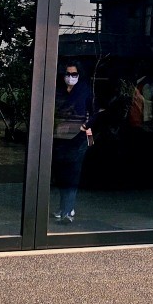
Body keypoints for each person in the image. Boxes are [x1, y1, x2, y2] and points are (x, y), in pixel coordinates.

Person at [51, 60, 93, 223]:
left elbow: (94, 111)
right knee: (61, 174)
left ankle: (67, 210)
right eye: (68, 74)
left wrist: (85, 126)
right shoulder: (58, 91)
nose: (70, 77)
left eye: (74, 74)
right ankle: (65, 206)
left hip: (78, 139)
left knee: (73, 173)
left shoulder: (84, 91)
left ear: (79, 75)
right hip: (60, 138)